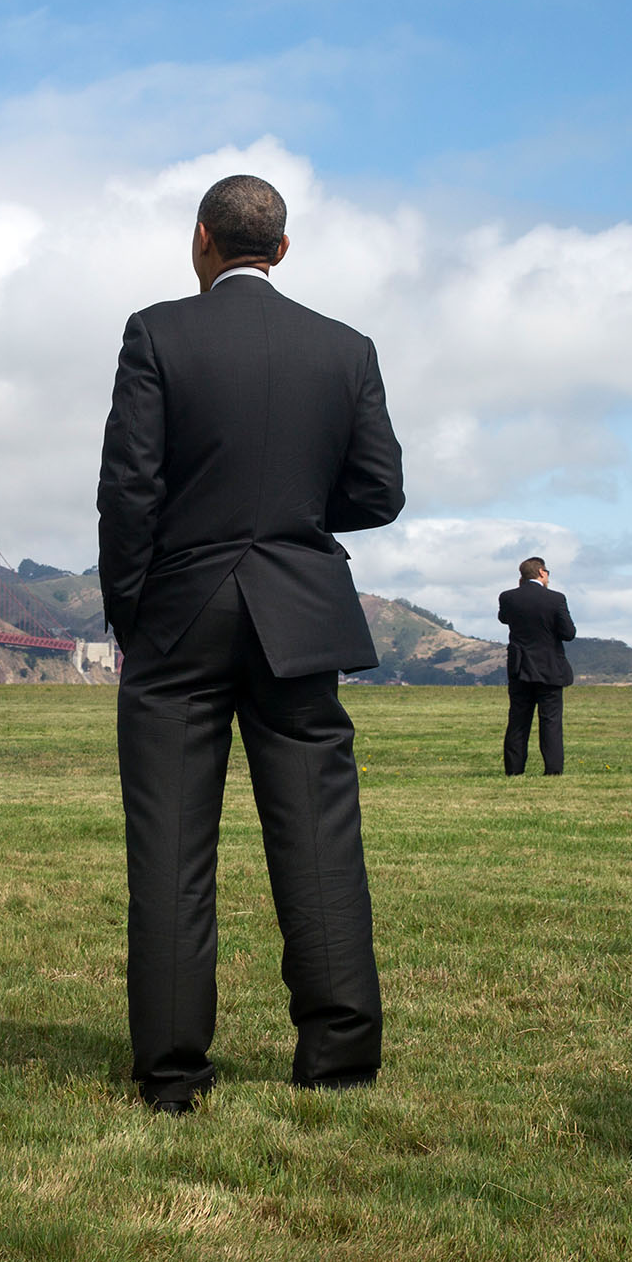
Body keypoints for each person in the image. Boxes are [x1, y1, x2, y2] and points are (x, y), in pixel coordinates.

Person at [97, 172, 406, 1114]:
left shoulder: (157, 334)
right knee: (319, 837)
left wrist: (131, 611)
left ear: (201, 239)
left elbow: (130, 490)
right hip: (300, 614)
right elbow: (381, 492)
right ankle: (339, 1056)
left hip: (181, 614)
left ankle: (176, 1073)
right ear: (281, 249)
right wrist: (299, 513)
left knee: (172, 845)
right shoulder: (344, 349)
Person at [497, 557, 576, 776]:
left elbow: (503, 618)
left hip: (520, 667)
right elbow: (568, 633)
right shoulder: (556, 599)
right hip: (550, 667)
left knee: (518, 721)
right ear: (541, 572)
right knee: (550, 721)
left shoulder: (508, 597)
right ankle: (552, 770)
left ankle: (514, 770)